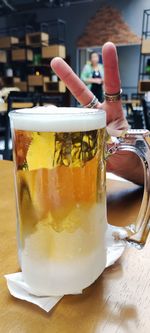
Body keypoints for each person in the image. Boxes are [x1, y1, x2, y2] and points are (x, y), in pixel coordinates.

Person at [51, 42, 144, 186]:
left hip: (101, 94)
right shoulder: (88, 68)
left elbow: (103, 81)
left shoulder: (100, 67)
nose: (95, 59)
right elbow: (85, 79)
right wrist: (134, 167)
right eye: (93, 57)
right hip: (91, 96)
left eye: (96, 57)